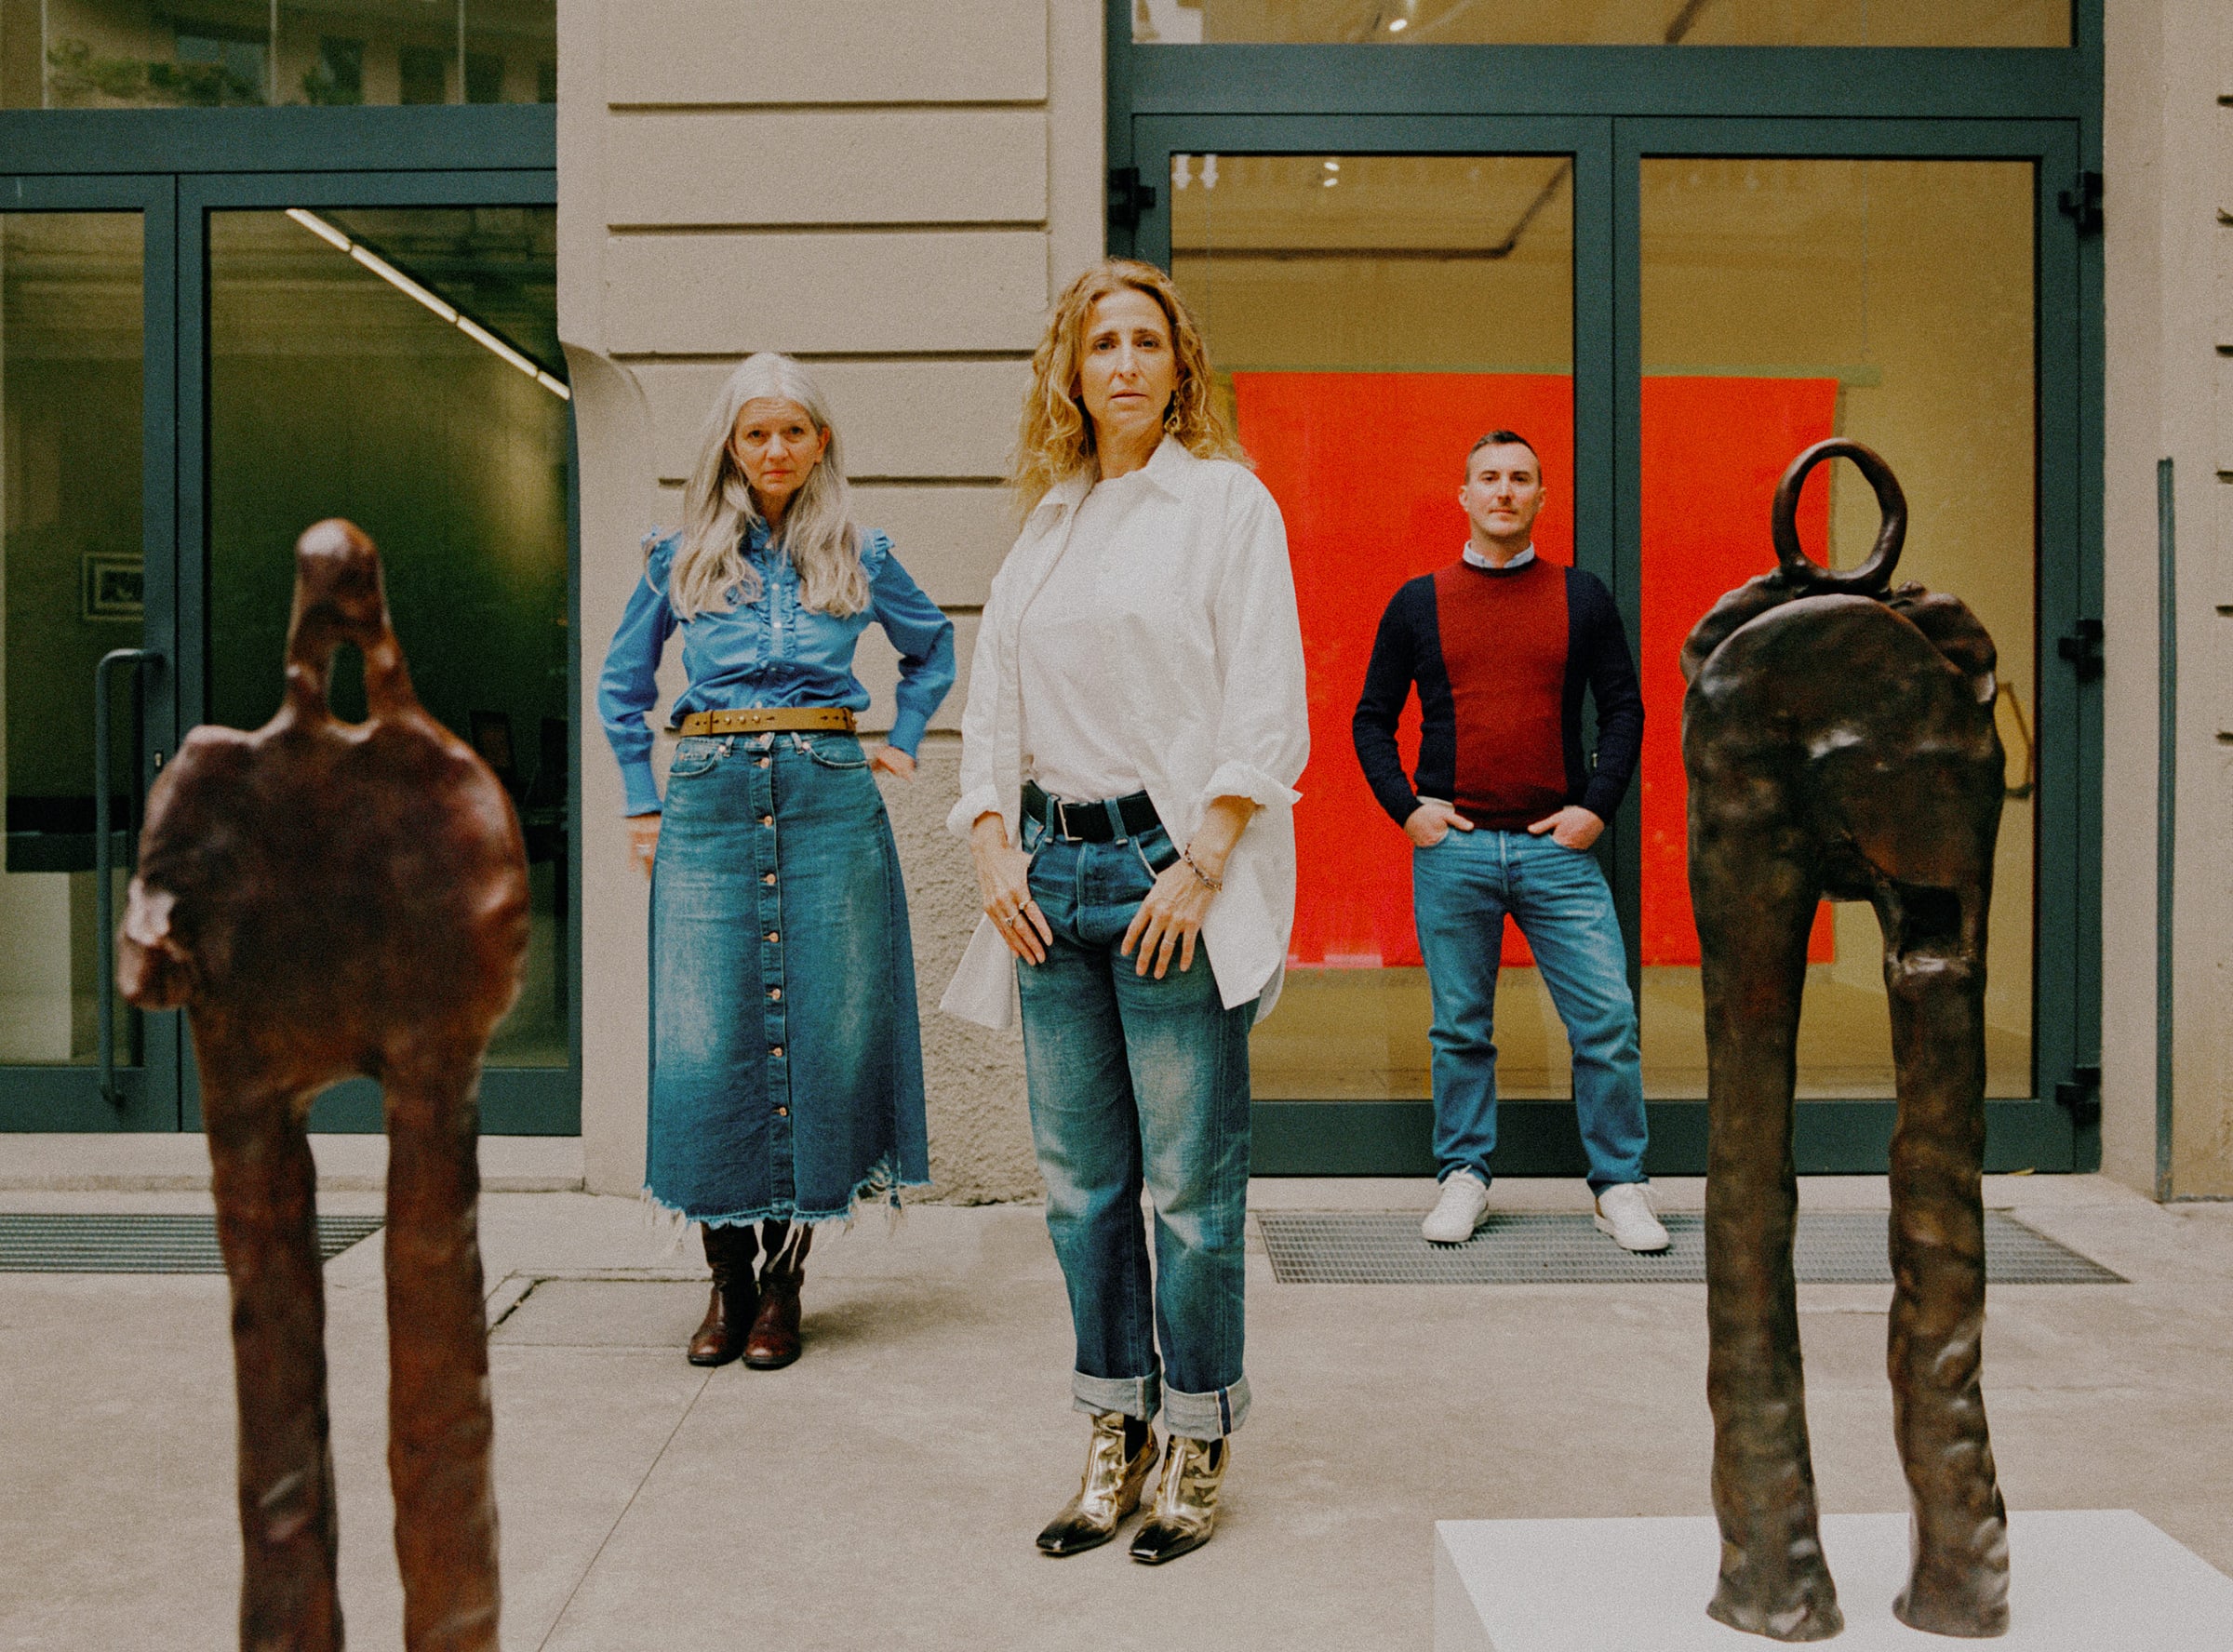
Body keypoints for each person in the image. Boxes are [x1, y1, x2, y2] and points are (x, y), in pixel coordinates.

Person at [941, 259, 1307, 1564]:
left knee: (1190, 1192)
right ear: (1072, 369)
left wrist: (1203, 866)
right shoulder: (1048, 523)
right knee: (1080, 1186)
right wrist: (989, 843)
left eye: (1150, 341)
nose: (1128, 364)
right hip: (1051, 880)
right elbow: (991, 705)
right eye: (1104, 343)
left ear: (1180, 366)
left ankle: (1198, 1434)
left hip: (1168, 879)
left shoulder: (1223, 504)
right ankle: (1118, 1423)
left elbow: (1268, 706)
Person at [598, 351, 956, 1369]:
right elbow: (622, 686)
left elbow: (932, 649)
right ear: (729, 444)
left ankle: (786, 1282)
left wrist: (905, 734)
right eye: (755, 432)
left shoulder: (861, 550)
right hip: (708, 798)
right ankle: (725, 1278)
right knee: (706, 1037)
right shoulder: (677, 555)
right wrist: (639, 797)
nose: (774, 449)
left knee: (824, 1030)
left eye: (792, 430)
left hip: (827, 795)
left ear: (821, 442)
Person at [1351, 430, 1668, 1253]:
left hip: (1554, 852)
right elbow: (1372, 720)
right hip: (1453, 849)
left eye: (1519, 478)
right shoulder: (1417, 602)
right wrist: (1407, 810)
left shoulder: (1582, 597)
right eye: (1488, 478)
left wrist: (1595, 809)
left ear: (1540, 496)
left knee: (1605, 1020)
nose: (1503, 490)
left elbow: (1625, 709)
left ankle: (1619, 1188)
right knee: (1460, 1026)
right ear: (1463, 494)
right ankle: (1464, 1178)